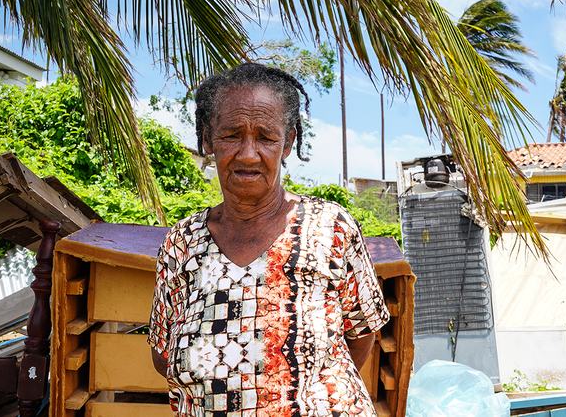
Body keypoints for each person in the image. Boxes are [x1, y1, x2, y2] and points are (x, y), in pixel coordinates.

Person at [148, 63, 389, 416]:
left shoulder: (331, 228)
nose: (248, 154)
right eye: (231, 135)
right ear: (206, 138)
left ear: (288, 142)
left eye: (265, 137)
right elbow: (162, 355)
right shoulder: (181, 244)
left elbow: (361, 336)